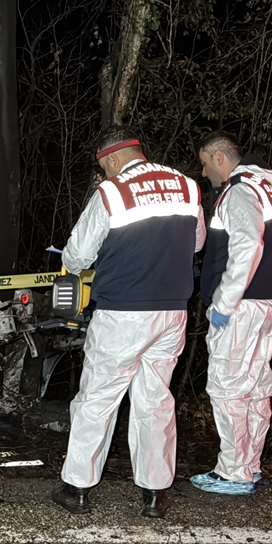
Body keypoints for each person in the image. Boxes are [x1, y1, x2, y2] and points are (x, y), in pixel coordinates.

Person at [52, 126, 205, 518]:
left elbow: (78, 254)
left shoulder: (112, 192)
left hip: (122, 311)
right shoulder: (187, 186)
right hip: (171, 313)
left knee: (98, 398)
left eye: (104, 167)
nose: (105, 175)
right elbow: (197, 241)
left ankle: (78, 488)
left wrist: (71, 263)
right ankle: (155, 494)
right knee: (155, 400)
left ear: (114, 159)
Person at [191, 130, 272, 495]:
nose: (204, 173)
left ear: (220, 157)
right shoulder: (267, 190)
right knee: (255, 389)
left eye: (204, 163)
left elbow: (247, 244)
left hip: (242, 309)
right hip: (266, 304)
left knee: (228, 388)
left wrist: (224, 302)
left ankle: (232, 472)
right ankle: (249, 466)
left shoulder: (238, 191)